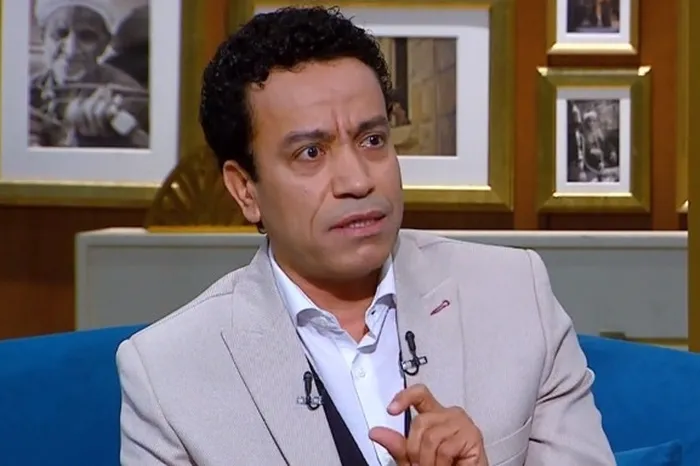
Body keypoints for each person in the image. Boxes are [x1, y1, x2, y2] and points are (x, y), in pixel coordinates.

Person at [116, 6, 616, 466]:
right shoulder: (167, 375)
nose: (358, 181)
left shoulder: (515, 295)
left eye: (372, 140)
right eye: (311, 153)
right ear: (245, 189)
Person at [29, 0, 149, 148]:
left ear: (105, 43)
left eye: (86, 36)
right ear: (43, 37)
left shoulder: (129, 96)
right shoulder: (28, 91)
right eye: (60, 34)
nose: (71, 51)